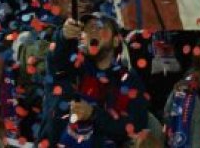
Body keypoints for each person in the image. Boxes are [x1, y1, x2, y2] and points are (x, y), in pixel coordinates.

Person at [43, 12, 149, 147]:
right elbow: (56, 60)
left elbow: (137, 126)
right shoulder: (74, 69)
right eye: (87, 29)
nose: (92, 32)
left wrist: (94, 115)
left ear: (116, 40)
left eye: (99, 27)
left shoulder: (129, 81)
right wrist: (63, 36)